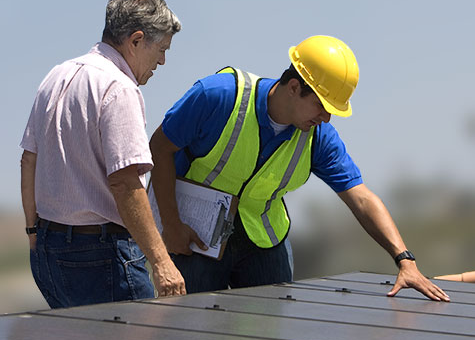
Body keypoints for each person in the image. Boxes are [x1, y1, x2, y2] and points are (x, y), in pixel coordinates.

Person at [150, 35, 449, 302]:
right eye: (322, 107)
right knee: (191, 334)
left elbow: (361, 197)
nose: (327, 119)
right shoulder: (217, 97)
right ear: (294, 87)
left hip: (263, 243)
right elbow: (160, 147)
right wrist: (172, 226)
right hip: (197, 237)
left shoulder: (318, 137)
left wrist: (405, 260)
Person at [20, 0, 186, 308]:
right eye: (161, 49)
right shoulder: (119, 88)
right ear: (136, 40)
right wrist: (162, 263)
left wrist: (32, 234)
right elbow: (125, 183)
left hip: (48, 251)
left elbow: (29, 160)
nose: (163, 61)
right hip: (101, 257)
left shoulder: (56, 76)